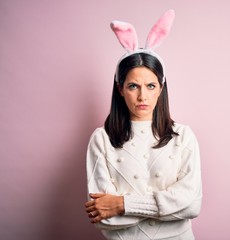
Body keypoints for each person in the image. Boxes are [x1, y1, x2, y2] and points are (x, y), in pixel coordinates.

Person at [84, 10, 202, 240]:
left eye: (150, 86)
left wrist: (122, 204)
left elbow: (191, 205)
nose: (142, 97)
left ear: (161, 88)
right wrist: (168, 207)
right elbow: (105, 216)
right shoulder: (101, 139)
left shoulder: (183, 137)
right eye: (133, 86)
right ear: (120, 89)